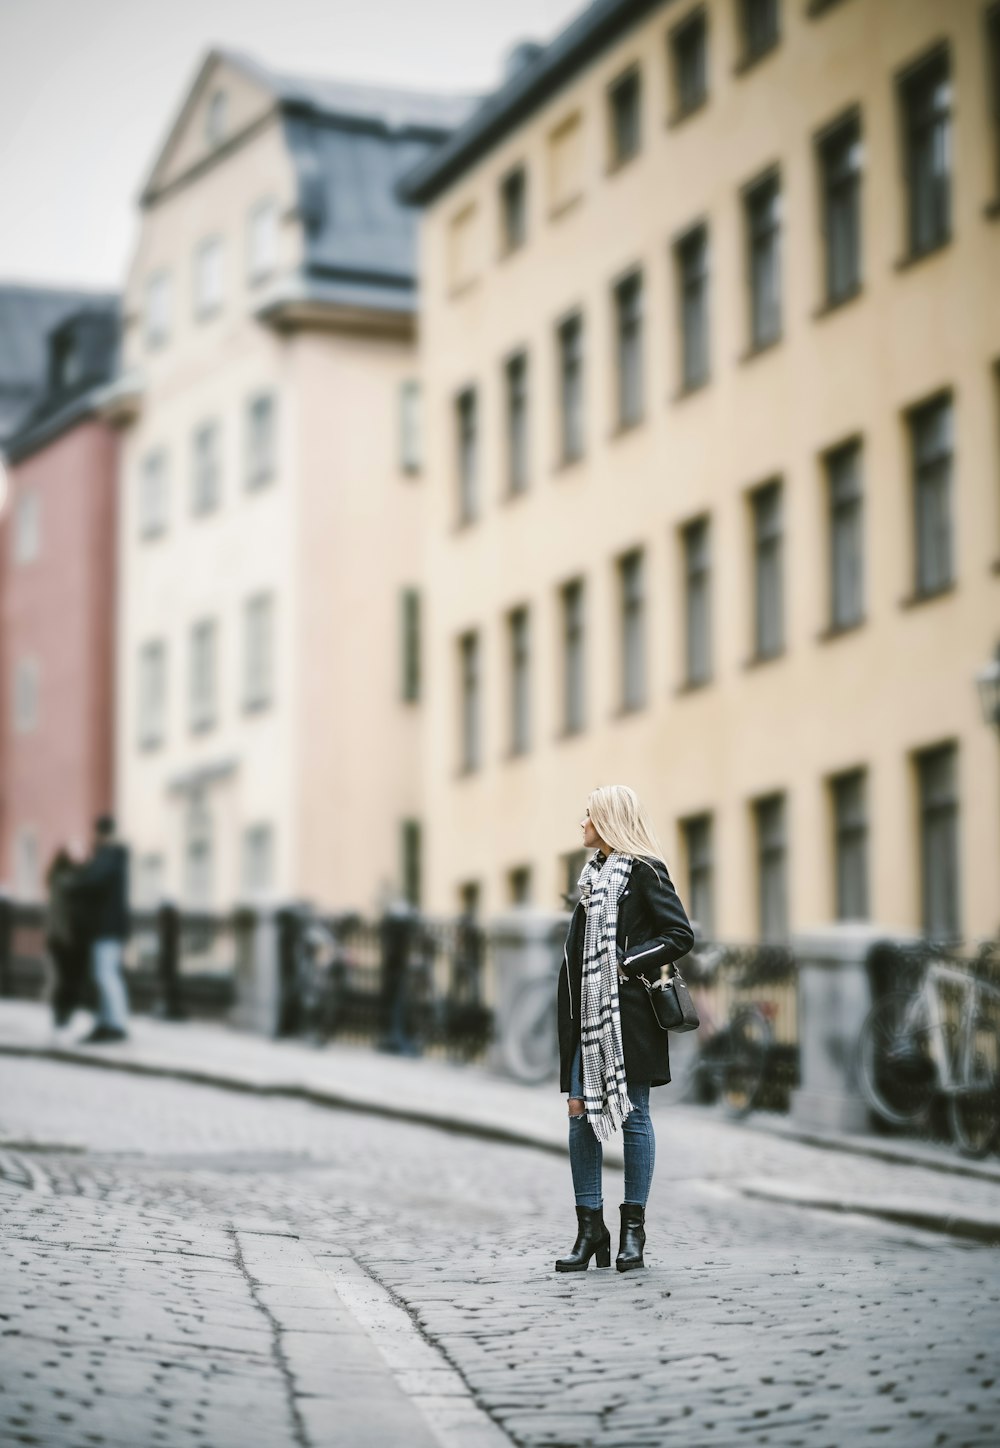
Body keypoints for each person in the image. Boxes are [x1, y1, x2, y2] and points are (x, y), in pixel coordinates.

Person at [555, 784, 694, 1274]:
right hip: (584, 1021)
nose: (582, 822)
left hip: (628, 1018)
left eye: (588, 814)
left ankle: (633, 1231)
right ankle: (590, 1227)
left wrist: (626, 962)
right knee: (579, 1113)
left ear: (610, 820)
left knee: (634, 1115)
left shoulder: (645, 872)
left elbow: (681, 935)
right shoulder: (591, 880)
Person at [68, 814, 131, 1044]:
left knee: (106, 975)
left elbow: (92, 881)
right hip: (106, 927)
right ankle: (106, 1022)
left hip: (107, 927)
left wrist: (78, 870)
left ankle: (115, 1024)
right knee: (104, 975)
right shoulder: (113, 856)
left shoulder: (109, 855)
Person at [45, 847, 89, 1043]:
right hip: (66, 940)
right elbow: (63, 917)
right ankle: (62, 1019)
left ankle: (60, 1020)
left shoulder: (55, 880)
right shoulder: (66, 881)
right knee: (67, 982)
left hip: (57, 939)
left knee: (62, 981)